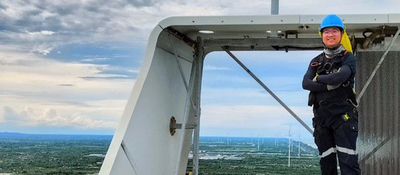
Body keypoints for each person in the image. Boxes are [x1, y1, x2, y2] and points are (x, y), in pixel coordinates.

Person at [302, 14, 360, 175]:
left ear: (341, 34)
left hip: (344, 118)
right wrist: (330, 85)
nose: (331, 34)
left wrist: (318, 78)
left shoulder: (348, 58)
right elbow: (306, 83)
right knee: (327, 166)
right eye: (327, 31)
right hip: (322, 121)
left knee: (349, 164)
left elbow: (340, 77)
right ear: (322, 35)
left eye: (335, 31)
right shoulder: (316, 61)